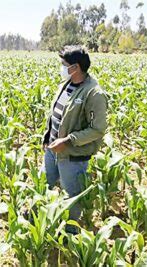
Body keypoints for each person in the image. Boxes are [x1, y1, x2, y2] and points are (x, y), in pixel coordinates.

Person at [42, 45, 108, 233]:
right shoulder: (67, 83)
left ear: (76, 67)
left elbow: (97, 129)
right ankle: (40, 223)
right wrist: (48, 136)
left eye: (64, 64)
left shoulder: (94, 93)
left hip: (72, 155)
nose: (61, 67)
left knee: (72, 197)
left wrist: (68, 141)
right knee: (43, 185)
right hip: (52, 149)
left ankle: (70, 234)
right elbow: (57, 113)